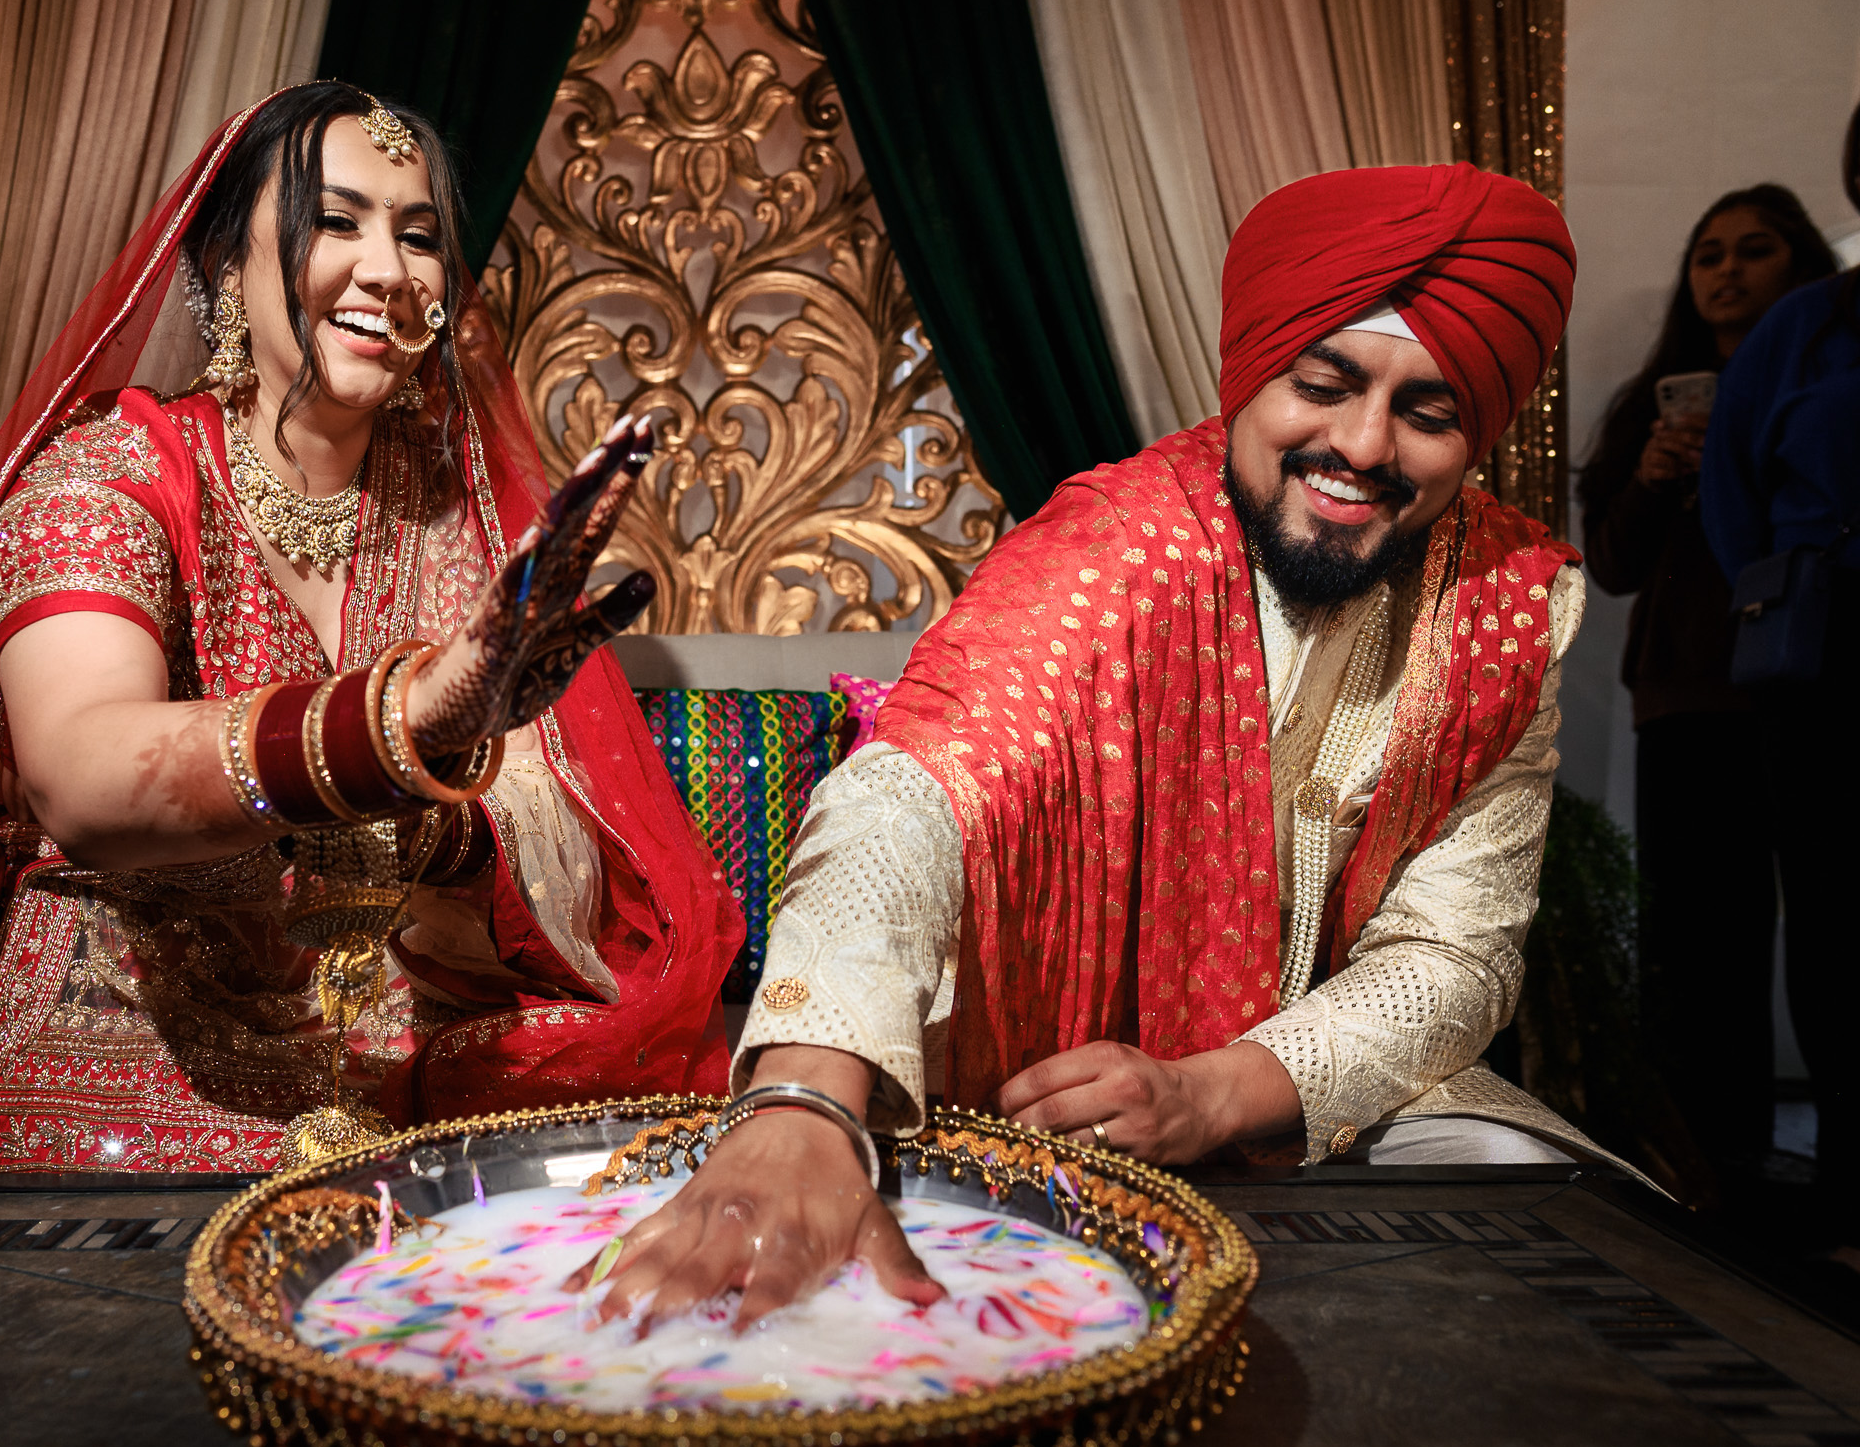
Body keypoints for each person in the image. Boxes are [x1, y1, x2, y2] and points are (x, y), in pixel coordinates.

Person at [0, 84, 737, 1246]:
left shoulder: (460, 517)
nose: (389, 269)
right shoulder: (109, 482)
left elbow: (564, 841)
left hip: (396, 1074)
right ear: (225, 258)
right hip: (118, 1067)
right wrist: (408, 720)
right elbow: (82, 777)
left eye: (420, 236)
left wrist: (454, 810)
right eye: (337, 220)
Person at [569, 163, 1612, 1327]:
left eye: (1429, 414)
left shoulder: (1506, 606)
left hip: (1347, 1094)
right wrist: (805, 1108)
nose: (1364, 445)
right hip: (1059, 1093)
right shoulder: (1118, 549)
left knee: (1582, 1283)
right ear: (1250, 375)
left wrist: (1215, 1094)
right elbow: (910, 796)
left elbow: (1456, 957)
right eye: (1324, 385)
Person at [1578, 185, 1838, 1190]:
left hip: (1815, 684)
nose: (1726, 271)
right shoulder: (1656, 402)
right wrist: (1652, 476)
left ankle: (1830, 1168)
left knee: (1826, 923)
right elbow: (1611, 563)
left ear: (1802, 264)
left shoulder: (1823, 383)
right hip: (1689, 697)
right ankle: (1705, 1156)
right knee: (1697, 932)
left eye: (1754, 250)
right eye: (1708, 254)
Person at [1700, 103, 1860, 1231]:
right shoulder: (1809, 323)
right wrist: (1785, 588)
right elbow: (1730, 491)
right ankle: (1850, 1178)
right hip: (1828, 658)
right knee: (1839, 915)